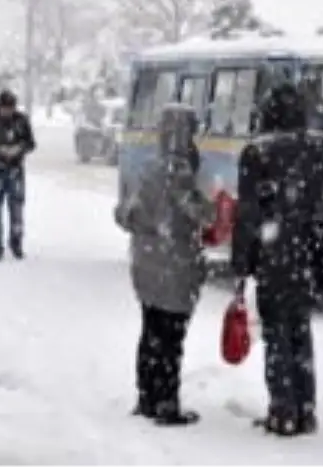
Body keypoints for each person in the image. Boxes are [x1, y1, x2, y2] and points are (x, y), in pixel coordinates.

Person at [230, 81, 323, 437]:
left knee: (276, 332)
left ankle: (282, 411)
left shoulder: (258, 153)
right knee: (301, 329)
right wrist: (314, 223)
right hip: (309, 255)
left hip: (273, 256)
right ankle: (305, 409)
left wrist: (242, 265)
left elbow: (248, 216)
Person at [113, 103, 215, 427]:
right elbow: (200, 214)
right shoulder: (180, 172)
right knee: (171, 339)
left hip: (146, 264)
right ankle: (167, 404)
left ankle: (147, 398)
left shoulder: (148, 168)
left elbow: (124, 214)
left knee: (151, 333)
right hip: (175, 265)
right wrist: (213, 207)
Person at [0, 89, 36, 261]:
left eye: (10, 108)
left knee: (17, 209)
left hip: (16, 171)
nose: (7, 112)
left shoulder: (22, 121)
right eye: (4, 108)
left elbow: (31, 143)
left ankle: (16, 243)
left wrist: (19, 149)